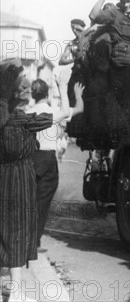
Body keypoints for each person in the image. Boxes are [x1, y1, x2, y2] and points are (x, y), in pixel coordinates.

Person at [0, 60, 84, 302]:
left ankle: (14, 290)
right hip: (20, 180)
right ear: (19, 94)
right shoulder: (26, 120)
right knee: (18, 232)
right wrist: (64, 86)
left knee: (4, 231)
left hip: (3, 178)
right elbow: (68, 112)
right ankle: (16, 292)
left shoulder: (6, 117)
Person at [26, 78, 71, 247]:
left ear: (33, 95)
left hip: (30, 158)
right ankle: (33, 241)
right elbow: (69, 112)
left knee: (30, 199)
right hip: (47, 159)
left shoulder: (27, 113)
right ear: (47, 94)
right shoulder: (51, 112)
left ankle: (28, 239)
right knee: (42, 202)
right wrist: (65, 89)